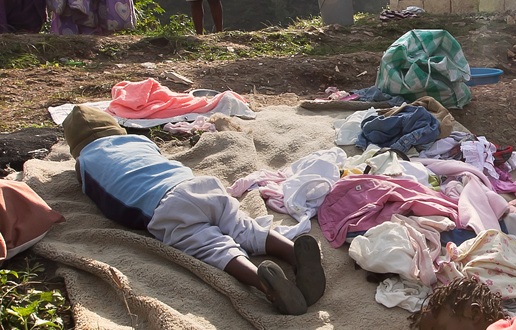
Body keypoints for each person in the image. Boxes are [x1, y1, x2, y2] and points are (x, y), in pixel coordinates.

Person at [64, 104, 325, 315]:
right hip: (197, 185)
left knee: (213, 246)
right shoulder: (139, 142)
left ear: (76, 149)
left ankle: (262, 281)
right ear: (116, 129)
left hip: (163, 206)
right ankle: (292, 253)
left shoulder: (85, 162)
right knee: (242, 226)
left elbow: (90, 185)